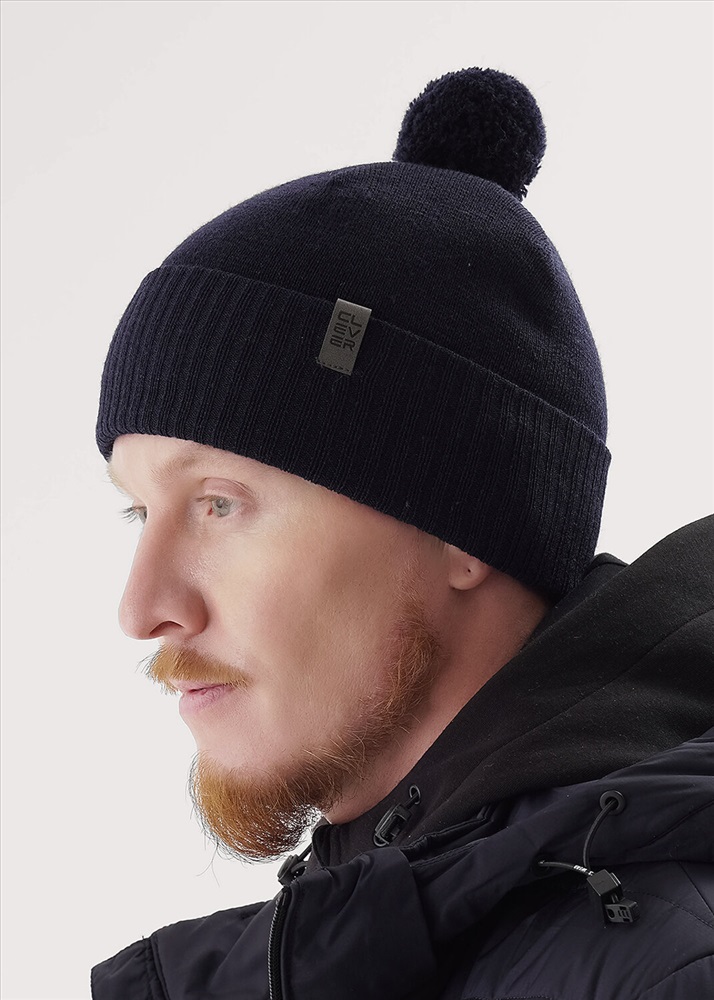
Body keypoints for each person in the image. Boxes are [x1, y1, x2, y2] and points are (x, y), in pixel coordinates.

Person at [91, 68, 714, 999]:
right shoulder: (390, 939)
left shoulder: (664, 971)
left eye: (219, 503)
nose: (142, 609)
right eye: (140, 512)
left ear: (464, 528)